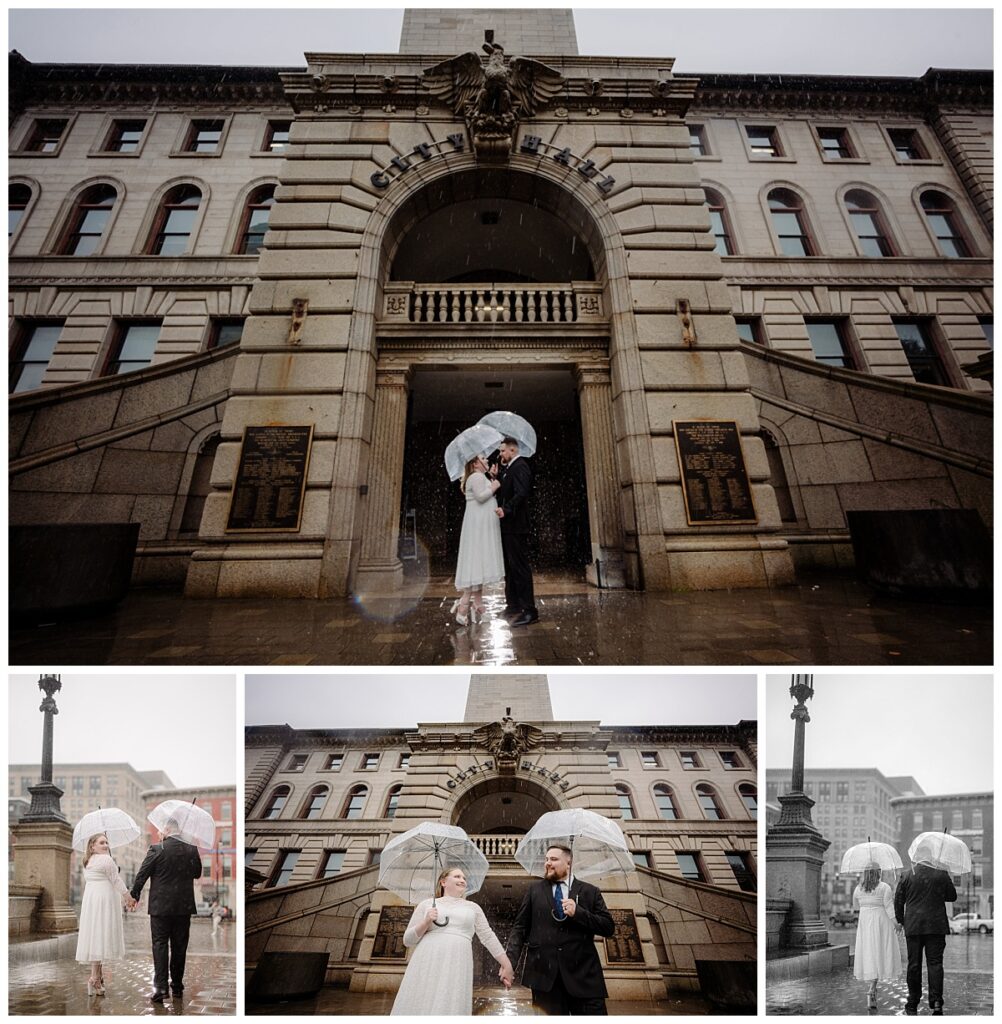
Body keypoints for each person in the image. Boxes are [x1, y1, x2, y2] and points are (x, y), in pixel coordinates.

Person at [505, 844, 615, 1015]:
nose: (548, 863)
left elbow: (608, 927)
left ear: (569, 863)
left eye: (554, 859)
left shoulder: (590, 891)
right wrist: (509, 963)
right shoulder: (534, 890)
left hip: (584, 978)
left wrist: (578, 913)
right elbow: (520, 928)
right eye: (547, 859)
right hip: (544, 978)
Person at [391, 867, 514, 1015]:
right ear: (443, 882)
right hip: (427, 959)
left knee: (449, 1000)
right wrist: (426, 921)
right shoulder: (427, 904)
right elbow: (408, 940)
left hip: (457, 961)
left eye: (464, 878)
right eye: (457, 876)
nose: (462, 880)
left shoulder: (473, 908)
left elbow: (488, 936)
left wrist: (506, 964)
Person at [129, 818, 204, 1003]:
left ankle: (161, 988)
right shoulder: (191, 849)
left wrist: (135, 894)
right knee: (180, 947)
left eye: (161, 829)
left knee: (160, 945)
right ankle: (177, 987)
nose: (159, 832)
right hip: (183, 907)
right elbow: (197, 873)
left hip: (160, 907)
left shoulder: (157, 848)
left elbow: (142, 874)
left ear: (168, 829)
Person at [75, 832, 137, 995]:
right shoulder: (107, 860)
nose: (106, 845)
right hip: (104, 900)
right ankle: (94, 979)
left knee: (96, 937)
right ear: (92, 846)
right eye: (102, 843)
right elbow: (116, 880)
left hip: (91, 899)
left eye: (107, 843)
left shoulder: (87, 861)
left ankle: (97, 978)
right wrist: (128, 897)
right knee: (101, 936)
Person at [894, 861, 958, 1015]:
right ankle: (936, 1001)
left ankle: (913, 1001)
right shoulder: (941, 874)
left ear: (917, 857)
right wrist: (944, 880)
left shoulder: (907, 875)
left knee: (914, 964)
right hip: (936, 926)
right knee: (935, 964)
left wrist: (902, 921)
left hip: (914, 926)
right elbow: (952, 896)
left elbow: (898, 901)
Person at [451, 454, 504, 626]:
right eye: (483, 458)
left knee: (478, 562)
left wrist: (493, 478)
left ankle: (477, 603)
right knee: (476, 561)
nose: (487, 460)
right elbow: (481, 497)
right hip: (478, 527)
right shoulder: (475, 476)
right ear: (475, 464)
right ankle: (465, 604)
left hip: (481, 525)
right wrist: (495, 485)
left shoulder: (481, 476)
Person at [493, 437, 538, 626]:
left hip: (517, 526)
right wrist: (495, 477)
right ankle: (513, 605)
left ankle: (529, 610)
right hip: (508, 526)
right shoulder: (509, 468)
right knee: (510, 568)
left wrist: (507, 509)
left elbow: (522, 492)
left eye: (503, 451)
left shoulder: (520, 466)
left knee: (519, 567)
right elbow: (506, 491)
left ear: (512, 450)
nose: (500, 454)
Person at [851, 865, 901, 1011]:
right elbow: (889, 908)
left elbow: (855, 907)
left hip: (865, 923)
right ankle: (872, 988)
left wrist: (867, 904)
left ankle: (872, 987)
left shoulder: (858, 889)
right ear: (878, 873)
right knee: (880, 952)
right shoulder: (884, 887)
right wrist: (896, 924)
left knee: (869, 953)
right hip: (881, 923)